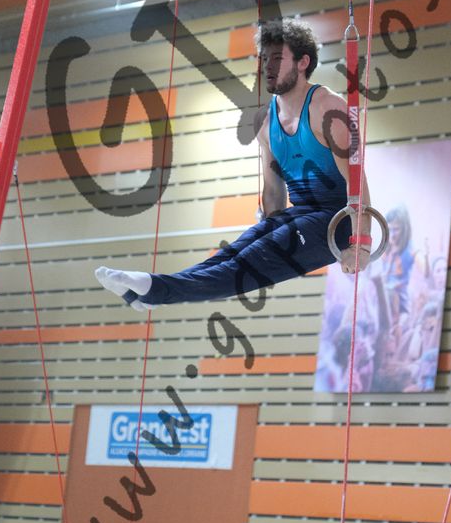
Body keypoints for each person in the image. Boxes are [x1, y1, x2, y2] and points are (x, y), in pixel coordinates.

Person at [96, 19, 371, 309]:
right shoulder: (265, 120)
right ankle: (152, 294)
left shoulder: (328, 108)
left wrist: (361, 243)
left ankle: (157, 290)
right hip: (300, 214)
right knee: (233, 254)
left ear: (303, 62)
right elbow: (274, 191)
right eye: (264, 59)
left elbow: (356, 182)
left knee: (247, 264)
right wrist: (269, 226)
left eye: (277, 59)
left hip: (337, 221)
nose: (267, 67)